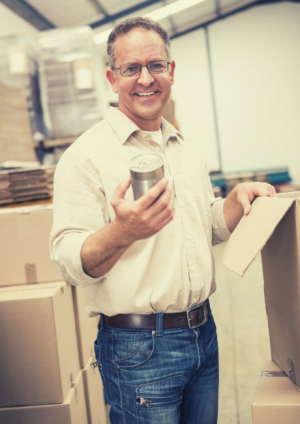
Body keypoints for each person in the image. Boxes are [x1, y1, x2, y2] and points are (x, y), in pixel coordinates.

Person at [50, 17, 276, 424]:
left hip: (202, 333)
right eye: (130, 68)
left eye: (155, 65)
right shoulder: (85, 157)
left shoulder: (183, 149)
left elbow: (202, 225)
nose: (145, 79)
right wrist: (123, 232)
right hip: (139, 349)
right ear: (111, 78)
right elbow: (68, 259)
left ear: (171, 71)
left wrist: (235, 202)